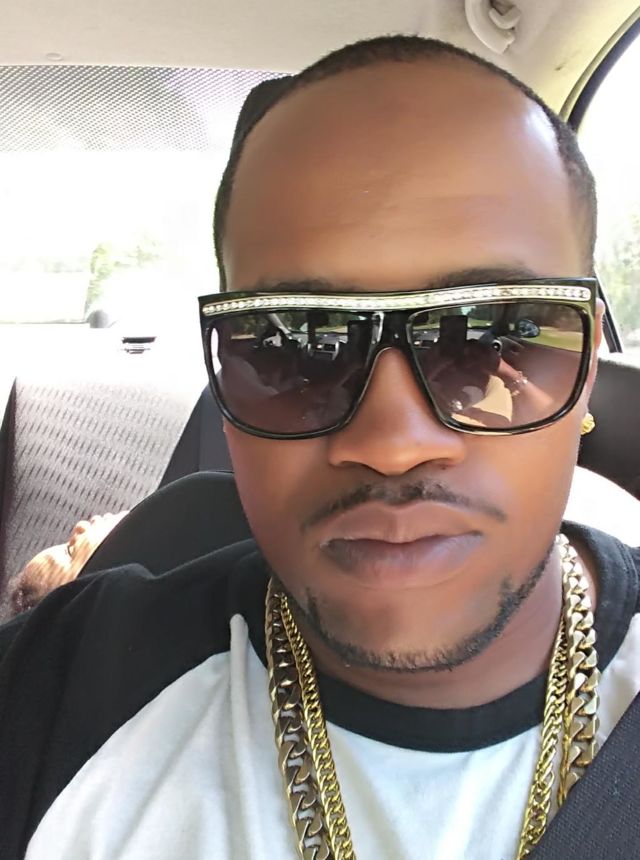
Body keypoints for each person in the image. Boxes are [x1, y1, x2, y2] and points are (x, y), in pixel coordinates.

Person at [1, 35, 639, 860]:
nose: (393, 444)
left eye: (492, 337)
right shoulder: (54, 697)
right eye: (292, 346)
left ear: (585, 373)